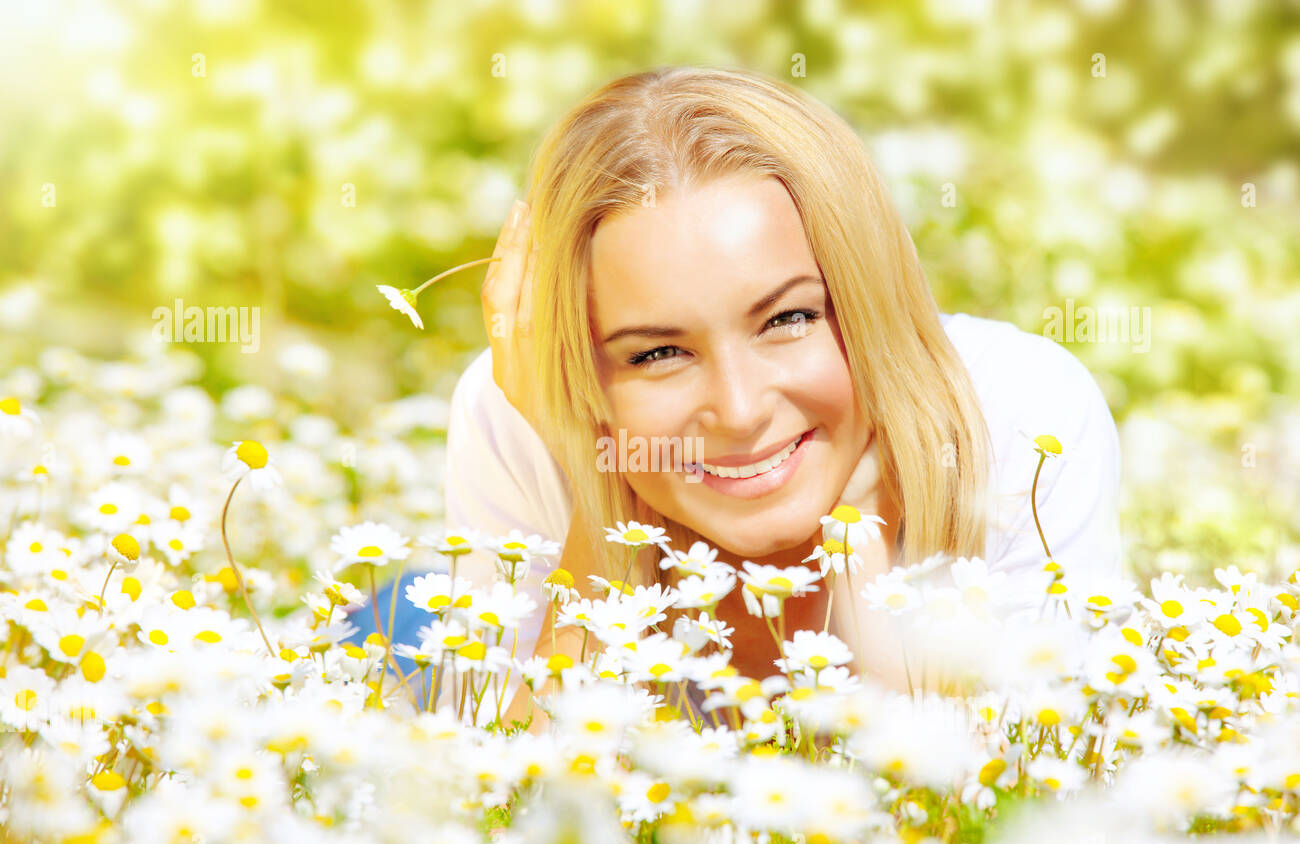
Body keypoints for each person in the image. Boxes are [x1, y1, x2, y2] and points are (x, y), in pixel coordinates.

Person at [395, 66, 1123, 727]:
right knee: (392, 644)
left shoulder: (1023, 417)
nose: (740, 412)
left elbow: (1010, 820)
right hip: (405, 632)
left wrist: (866, 584)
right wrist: (592, 481)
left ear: (870, 300)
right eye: (656, 353)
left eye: (788, 318)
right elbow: (511, 810)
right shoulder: (517, 415)